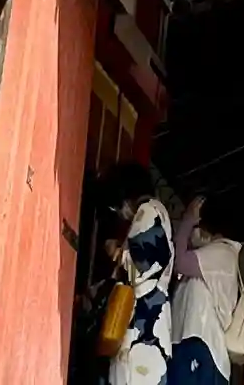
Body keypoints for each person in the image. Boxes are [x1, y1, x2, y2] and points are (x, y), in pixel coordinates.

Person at [101, 165, 175, 385]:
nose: (119, 213)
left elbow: (143, 264)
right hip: (154, 320)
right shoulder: (158, 213)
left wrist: (117, 253)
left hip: (142, 321)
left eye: (116, 206)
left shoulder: (148, 212)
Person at [170, 194, 243, 384]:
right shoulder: (212, 256)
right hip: (195, 344)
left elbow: (179, 262)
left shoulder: (222, 252)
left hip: (201, 344)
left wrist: (187, 221)